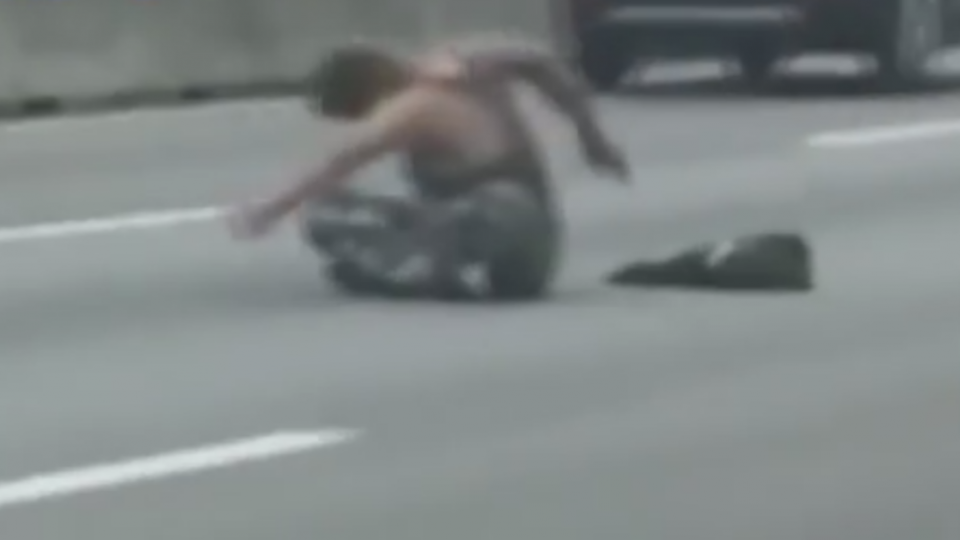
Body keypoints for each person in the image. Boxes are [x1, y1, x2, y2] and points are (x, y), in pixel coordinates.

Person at [228, 37, 630, 296]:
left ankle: (420, 272)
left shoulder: (408, 109)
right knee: (408, 212)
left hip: (493, 220)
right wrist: (592, 138)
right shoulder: (468, 68)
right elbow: (537, 60)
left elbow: (341, 160)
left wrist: (269, 210)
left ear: (365, 94)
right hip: (534, 254)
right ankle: (428, 264)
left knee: (323, 213)